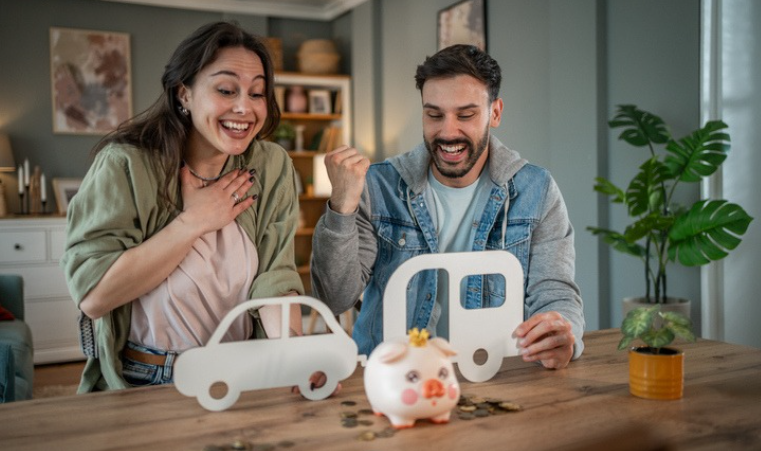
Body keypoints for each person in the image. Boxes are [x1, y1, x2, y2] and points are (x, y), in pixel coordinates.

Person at [61, 22, 312, 392]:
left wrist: (295, 357)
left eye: (257, 93)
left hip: (244, 372)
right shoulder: (127, 165)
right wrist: (193, 222)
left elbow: (274, 280)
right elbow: (95, 297)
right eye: (226, 90)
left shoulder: (271, 165)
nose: (245, 108)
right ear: (185, 94)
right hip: (148, 379)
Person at [311, 44, 585, 369]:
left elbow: (554, 289)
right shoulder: (379, 186)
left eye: (466, 115)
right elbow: (333, 298)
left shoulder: (536, 190)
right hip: (389, 377)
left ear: (495, 113)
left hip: (495, 374)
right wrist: (341, 206)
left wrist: (561, 332)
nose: (448, 131)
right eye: (434, 115)